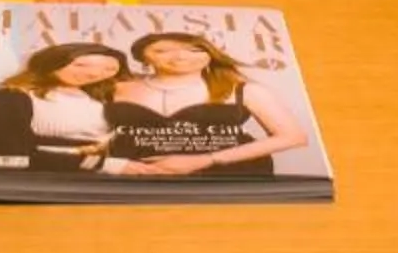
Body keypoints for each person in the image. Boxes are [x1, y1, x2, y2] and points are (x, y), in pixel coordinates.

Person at [105, 30, 309, 182]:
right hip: (132, 178)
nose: (180, 57)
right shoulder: (113, 89)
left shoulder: (244, 90)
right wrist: (117, 165)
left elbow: (293, 137)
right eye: (162, 51)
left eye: (194, 50)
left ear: (210, 55)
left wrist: (206, 159)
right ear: (142, 57)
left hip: (232, 179)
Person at [0, 42, 126, 171]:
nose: (94, 74)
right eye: (80, 65)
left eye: (109, 69)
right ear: (52, 63)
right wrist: (91, 161)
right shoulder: (9, 98)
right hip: (39, 181)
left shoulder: (101, 99)